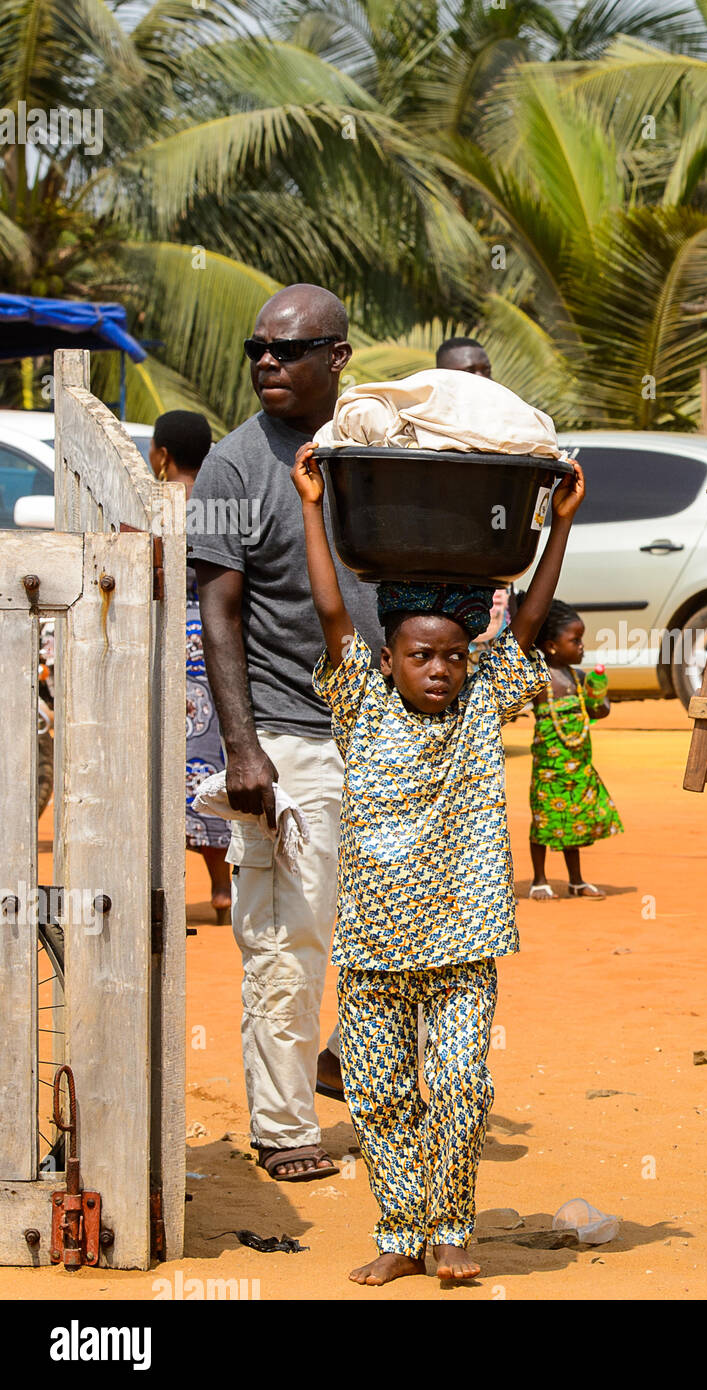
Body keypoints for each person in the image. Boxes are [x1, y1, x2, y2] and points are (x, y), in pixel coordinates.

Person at [292, 440, 584, 1285]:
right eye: (422, 656)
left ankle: (451, 1229)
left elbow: (525, 623)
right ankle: (398, 1232)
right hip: (374, 948)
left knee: (459, 1088)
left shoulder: (484, 700)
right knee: (381, 1100)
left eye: (454, 656)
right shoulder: (359, 699)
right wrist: (313, 506)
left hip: (461, 940)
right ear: (388, 661)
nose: (441, 670)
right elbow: (331, 611)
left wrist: (558, 524)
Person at [190, 284, 383, 1181]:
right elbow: (219, 614)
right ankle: (284, 1127)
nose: (268, 361)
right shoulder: (233, 467)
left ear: (336, 357)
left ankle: (352, 1060)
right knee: (286, 940)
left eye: (289, 348)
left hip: (386, 733)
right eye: (256, 347)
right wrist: (242, 747)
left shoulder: (376, 444)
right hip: (287, 735)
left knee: (402, 929)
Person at [152, 410, 231, 923]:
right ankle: (222, 889)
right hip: (218, 636)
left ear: (161, 455)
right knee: (214, 754)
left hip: (167, 640)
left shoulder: (155, 507)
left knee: (165, 759)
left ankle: (164, 892)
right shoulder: (226, 506)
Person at [527, 600, 622, 899]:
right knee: (544, 820)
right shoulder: (539, 679)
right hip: (549, 769)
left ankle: (576, 880)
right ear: (552, 646)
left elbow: (599, 712)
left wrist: (599, 694)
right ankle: (539, 879)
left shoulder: (580, 679)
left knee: (575, 821)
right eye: (575, 640)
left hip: (578, 766)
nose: (582, 647)